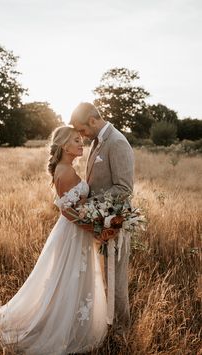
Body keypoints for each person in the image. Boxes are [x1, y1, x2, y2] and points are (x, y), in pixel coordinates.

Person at [0, 126, 108, 354]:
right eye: (76, 140)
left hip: (70, 232)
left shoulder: (64, 168)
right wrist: (95, 227)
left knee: (67, 277)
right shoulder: (67, 171)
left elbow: (70, 207)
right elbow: (67, 212)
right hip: (73, 232)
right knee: (70, 277)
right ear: (64, 146)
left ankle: (68, 320)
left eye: (81, 140)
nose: (81, 144)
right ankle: (63, 325)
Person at [70, 102, 134, 338]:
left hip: (115, 222)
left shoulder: (117, 143)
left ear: (93, 121)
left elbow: (124, 188)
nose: (82, 135)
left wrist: (90, 203)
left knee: (116, 279)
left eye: (83, 130)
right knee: (105, 276)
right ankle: (107, 324)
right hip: (101, 221)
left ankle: (121, 332)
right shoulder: (98, 141)